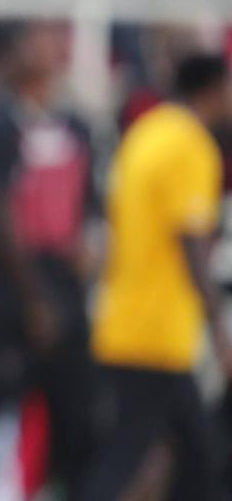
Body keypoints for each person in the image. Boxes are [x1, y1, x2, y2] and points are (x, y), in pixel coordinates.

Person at [78, 53, 232, 501]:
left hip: (124, 321)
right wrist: (219, 329)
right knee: (140, 460)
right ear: (215, 89)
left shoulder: (147, 131)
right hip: (157, 335)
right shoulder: (191, 145)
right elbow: (192, 248)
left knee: (191, 457)